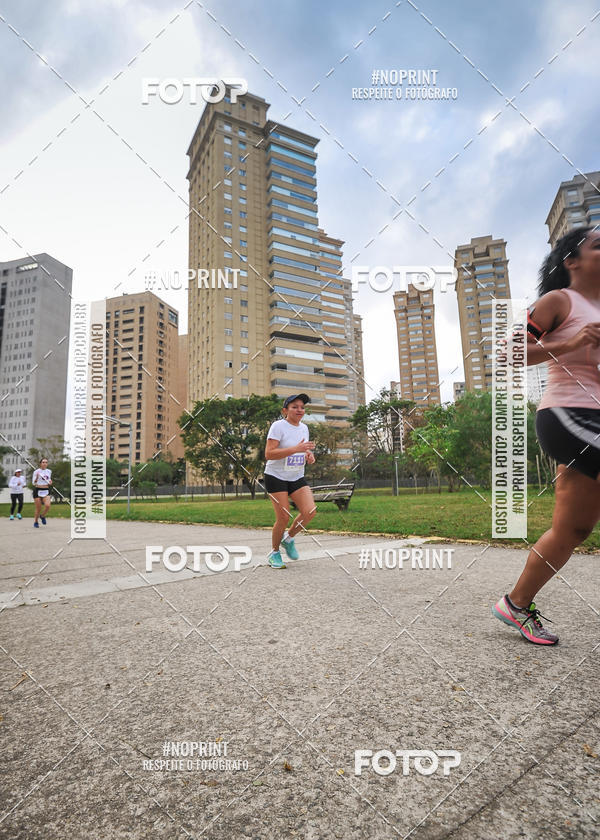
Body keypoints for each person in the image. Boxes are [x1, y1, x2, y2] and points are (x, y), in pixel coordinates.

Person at [493, 225, 600, 645]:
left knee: (572, 530)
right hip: (567, 414)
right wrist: (572, 343)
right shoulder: (560, 301)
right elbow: (509, 353)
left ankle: (516, 603)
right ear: (572, 261)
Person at [263, 394, 317, 568]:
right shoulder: (278, 426)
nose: (299, 410)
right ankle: (274, 552)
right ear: (285, 410)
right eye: (294, 406)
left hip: (295, 476)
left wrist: (308, 455)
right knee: (284, 517)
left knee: (310, 511)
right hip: (275, 476)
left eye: (302, 407)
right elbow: (269, 453)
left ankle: (289, 539)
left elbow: (303, 450)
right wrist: (296, 448)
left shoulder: (304, 428)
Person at [32, 458, 53, 528]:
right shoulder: (36, 472)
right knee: (38, 508)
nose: (45, 463)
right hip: (37, 490)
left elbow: (48, 480)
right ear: (40, 463)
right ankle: (36, 521)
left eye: (46, 462)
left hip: (46, 490)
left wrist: (50, 482)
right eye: (43, 462)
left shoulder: (49, 471)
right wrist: (37, 477)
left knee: (47, 505)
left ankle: (42, 516)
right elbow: (33, 483)